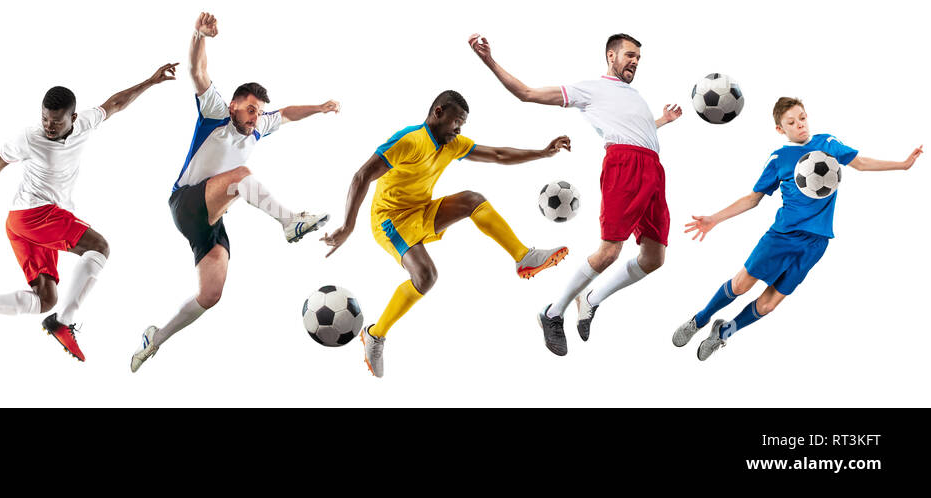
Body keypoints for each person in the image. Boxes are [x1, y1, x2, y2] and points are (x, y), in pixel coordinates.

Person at [130, 12, 340, 372]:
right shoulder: (216, 113)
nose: (255, 118)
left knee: (210, 295)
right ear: (234, 106)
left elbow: (288, 113)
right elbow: (198, 71)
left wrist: (319, 108)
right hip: (186, 202)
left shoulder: (258, 127)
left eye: (259, 113)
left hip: (211, 219)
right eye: (250, 110)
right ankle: (290, 222)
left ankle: (155, 339)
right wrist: (199, 35)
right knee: (242, 176)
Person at [0, 63, 179, 362]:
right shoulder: (29, 138)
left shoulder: (84, 123)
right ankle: (64, 322)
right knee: (99, 247)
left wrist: (151, 81)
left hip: (27, 223)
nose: (49, 126)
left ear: (72, 118)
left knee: (45, 299)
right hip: (33, 214)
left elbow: (115, 104)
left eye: (56, 121)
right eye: (45, 119)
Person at [322, 91, 571, 377]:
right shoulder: (409, 140)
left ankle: (523, 257)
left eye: (462, 125)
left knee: (472, 200)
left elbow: (498, 155)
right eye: (456, 122)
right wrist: (348, 227)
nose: (459, 130)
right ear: (438, 112)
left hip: (420, 210)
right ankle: (375, 335)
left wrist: (543, 152)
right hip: (389, 220)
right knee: (426, 277)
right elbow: (362, 176)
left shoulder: (452, 145)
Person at [468, 33, 683, 356]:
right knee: (609, 252)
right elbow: (526, 93)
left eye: (638, 57)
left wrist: (662, 121)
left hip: (653, 169)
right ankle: (553, 313)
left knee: (654, 259)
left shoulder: (635, 95)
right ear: (611, 56)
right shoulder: (591, 89)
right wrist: (488, 60)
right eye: (629, 55)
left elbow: (636, 131)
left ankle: (591, 299)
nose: (635, 61)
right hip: (624, 167)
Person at [673, 97, 922, 360]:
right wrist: (714, 219)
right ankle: (699, 320)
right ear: (780, 129)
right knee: (741, 285)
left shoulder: (827, 144)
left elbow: (861, 163)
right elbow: (753, 199)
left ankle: (723, 332)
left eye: (802, 118)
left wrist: (903, 165)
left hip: (816, 243)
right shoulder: (779, 158)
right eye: (791, 122)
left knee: (768, 305)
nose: (800, 124)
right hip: (782, 237)